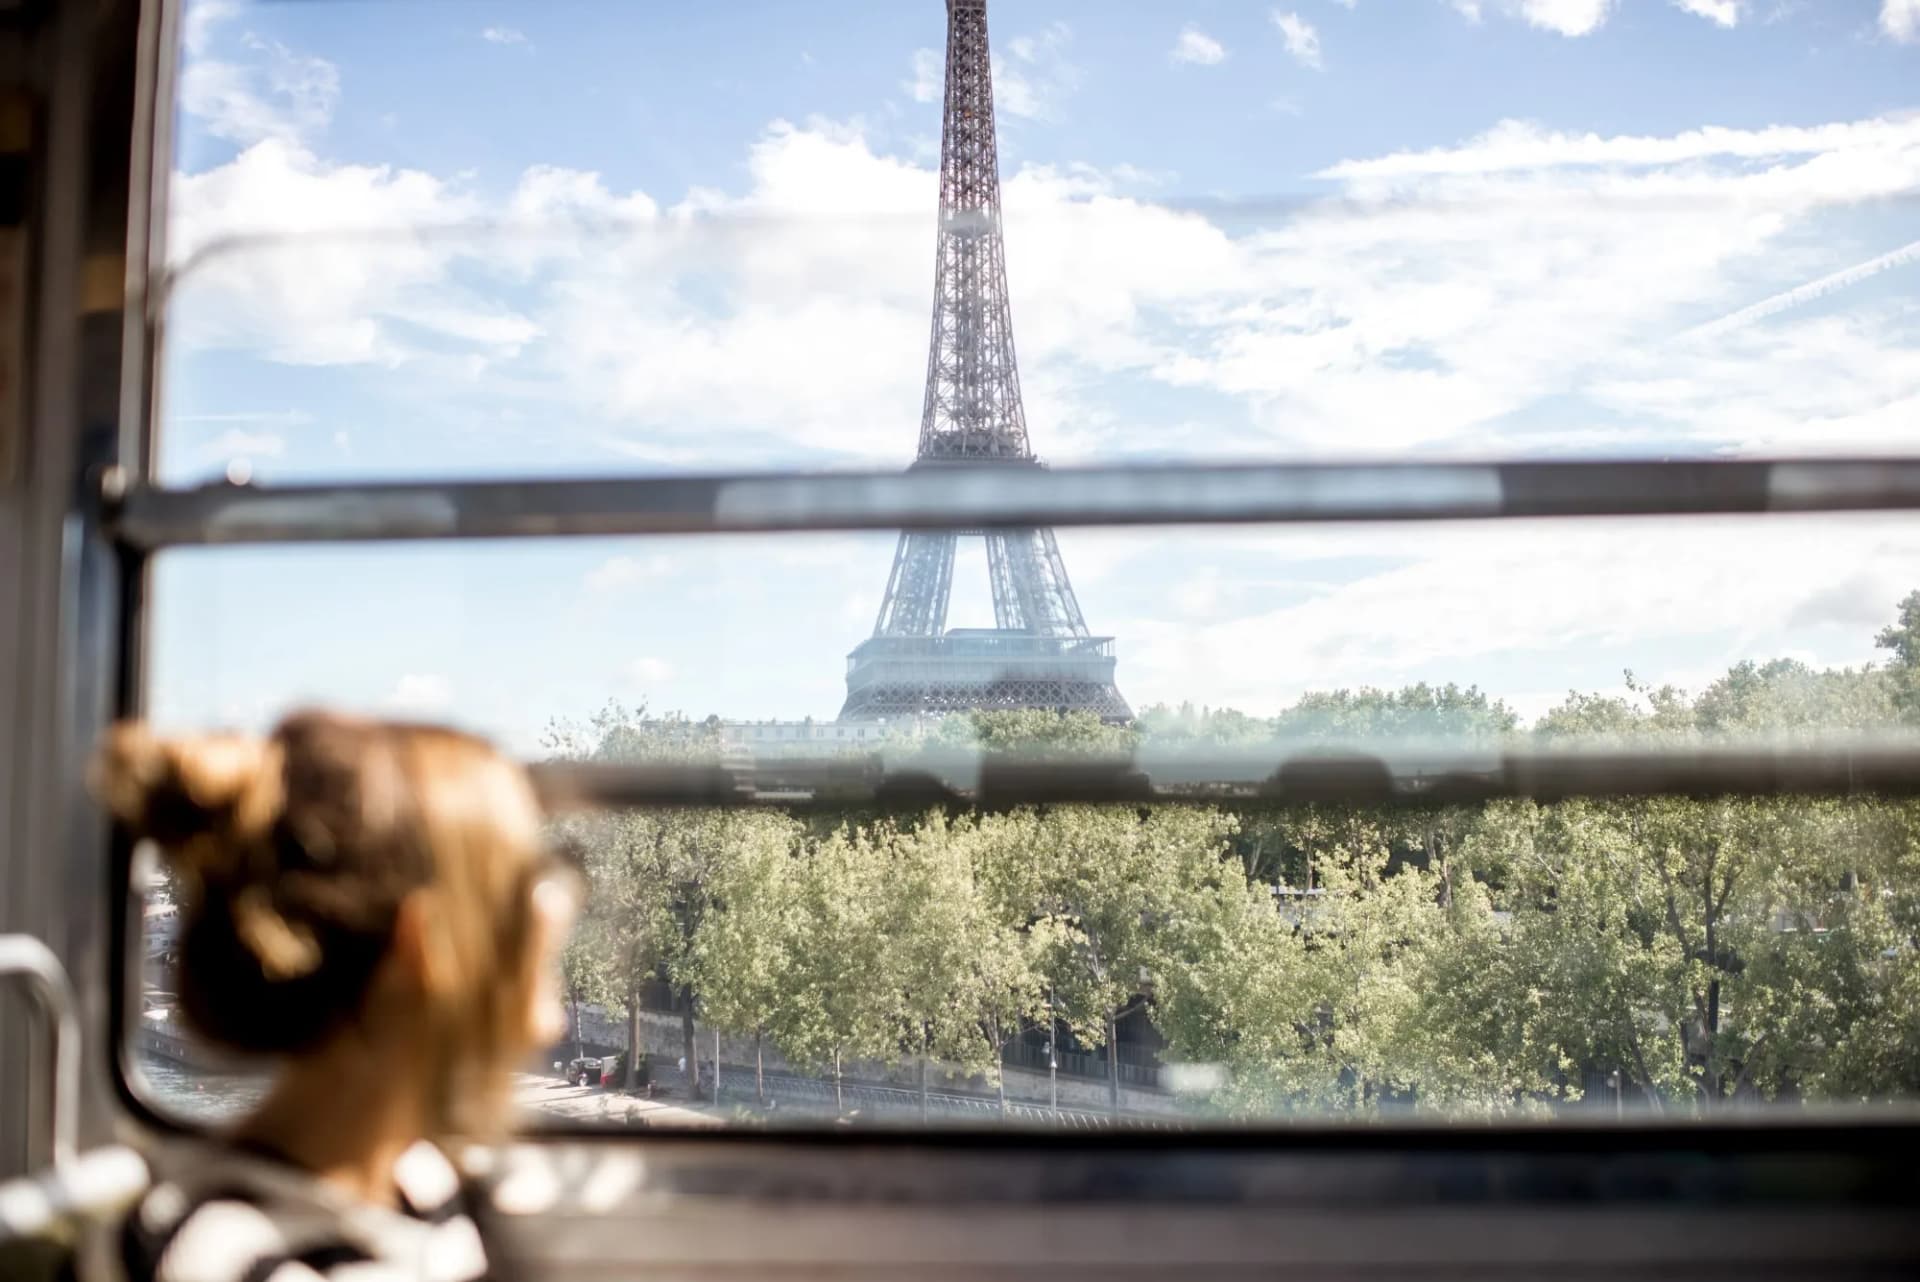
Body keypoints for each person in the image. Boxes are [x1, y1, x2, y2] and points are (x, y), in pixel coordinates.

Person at [92, 710, 580, 1282]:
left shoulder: (419, 1182)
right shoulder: (233, 1261)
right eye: (524, 889)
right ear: (423, 945)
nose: (555, 911)